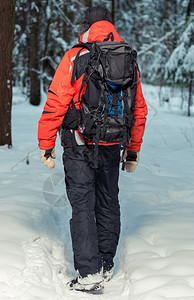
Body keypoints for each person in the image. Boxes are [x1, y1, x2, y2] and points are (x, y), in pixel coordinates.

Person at [38, 6, 148, 292]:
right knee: (108, 201)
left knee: (83, 204)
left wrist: (45, 144)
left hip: (78, 142)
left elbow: (56, 102)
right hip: (113, 143)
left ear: (86, 26)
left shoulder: (76, 55)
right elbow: (138, 109)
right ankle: (106, 264)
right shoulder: (127, 58)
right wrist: (133, 149)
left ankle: (88, 273)